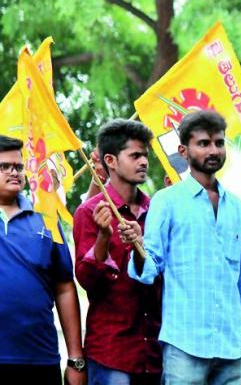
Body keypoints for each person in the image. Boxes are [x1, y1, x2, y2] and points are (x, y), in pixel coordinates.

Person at [127, 111, 241, 385]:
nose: (213, 150)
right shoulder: (166, 201)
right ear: (183, 151)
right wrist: (137, 245)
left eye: (219, 143)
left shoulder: (236, 206)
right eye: (203, 143)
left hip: (231, 346)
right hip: (184, 344)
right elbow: (150, 267)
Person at [73, 120, 162, 384]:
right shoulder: (89, 211)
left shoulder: (158, 210)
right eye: (135, 155)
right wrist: (103, 237)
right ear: (110, 160)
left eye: (145, 155)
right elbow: (87, 281)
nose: (143, 161)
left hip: (156, 349)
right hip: (112, 351)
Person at [0, 135, 86, 385]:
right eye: (4, 166)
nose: (13, 172)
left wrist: (75, 359)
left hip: (39, 358)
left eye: (18, 166)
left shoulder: (47, 218)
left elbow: (65, 288)